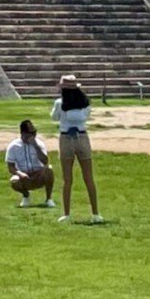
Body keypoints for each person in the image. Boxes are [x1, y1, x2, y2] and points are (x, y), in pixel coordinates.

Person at [51, 75, 102, 224]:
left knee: (67, 179)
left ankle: (67, 214)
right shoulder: (84, 103)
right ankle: (95, 213)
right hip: (82, 137)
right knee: (89, 178)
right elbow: (86, 117)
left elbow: (54, 118)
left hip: (66, 138)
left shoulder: (60, 103)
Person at [5, 120, 55, 207]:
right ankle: (26, 196)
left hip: (38, 174)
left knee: (49, 170)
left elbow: (45, 161)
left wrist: (35, 146)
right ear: (23, 133)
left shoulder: (39, 144)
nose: (34, 135)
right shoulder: (13, 146)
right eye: (31, 133)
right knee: (14, 182)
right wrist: (20, 173)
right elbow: (11, 167)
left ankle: (49, 199)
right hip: (24, 176)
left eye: (35, 132)